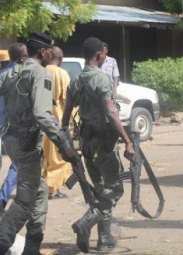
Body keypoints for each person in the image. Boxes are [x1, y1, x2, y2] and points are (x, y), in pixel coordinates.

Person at [0, 32, 75, 255]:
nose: (51, 54)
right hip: (26, 144)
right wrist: (64, 145)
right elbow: (43, 116)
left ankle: (32, 246)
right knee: (26, 200)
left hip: (10, 141)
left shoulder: (10, 73)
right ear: (43, 52)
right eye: (50, 51)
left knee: (40, 190)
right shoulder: (40, 74)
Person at [62, 37, 135, 253]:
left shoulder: (76, 81)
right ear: (99, 55)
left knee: (101, 189)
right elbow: (111, 112)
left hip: (86, 143)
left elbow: (65, 118)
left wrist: (66, 145)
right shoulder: (101, 80)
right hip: (104, 143)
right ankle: (86, 221)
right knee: (114, 189)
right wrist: (128, 141)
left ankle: (104, 238)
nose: (105, 56)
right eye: (104, 53)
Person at [0, 43, 28, 218]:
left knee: (19, 164)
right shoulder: (22, 76)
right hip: (19, 128)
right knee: (20, 165)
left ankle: (6, 201)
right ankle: (1, 201)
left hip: (4, 128)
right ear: (21, 58)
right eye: (26, 55)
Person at [42, 46, 72, 199]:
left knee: (46, 155)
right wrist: (76, 120)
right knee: (57, 156)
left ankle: (45, 187)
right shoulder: (61, 74)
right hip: (56, 120)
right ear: (60, 59)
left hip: (41, 118)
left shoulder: (41, 71)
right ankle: (52, 188)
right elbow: (68, 100)